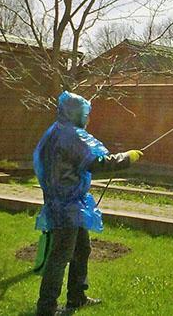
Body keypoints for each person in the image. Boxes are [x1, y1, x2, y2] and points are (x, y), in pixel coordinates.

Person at [34, 91, 143, 316]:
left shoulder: (55, 131)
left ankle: (77, 297)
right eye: (84, 114)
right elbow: (96, 162)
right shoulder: (70, 136)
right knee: (60, 255)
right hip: (67, 204)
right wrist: (127, 158)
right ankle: (46, 308)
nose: (87, 118)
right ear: (75, 113)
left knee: (82, 249)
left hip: (65, 202)